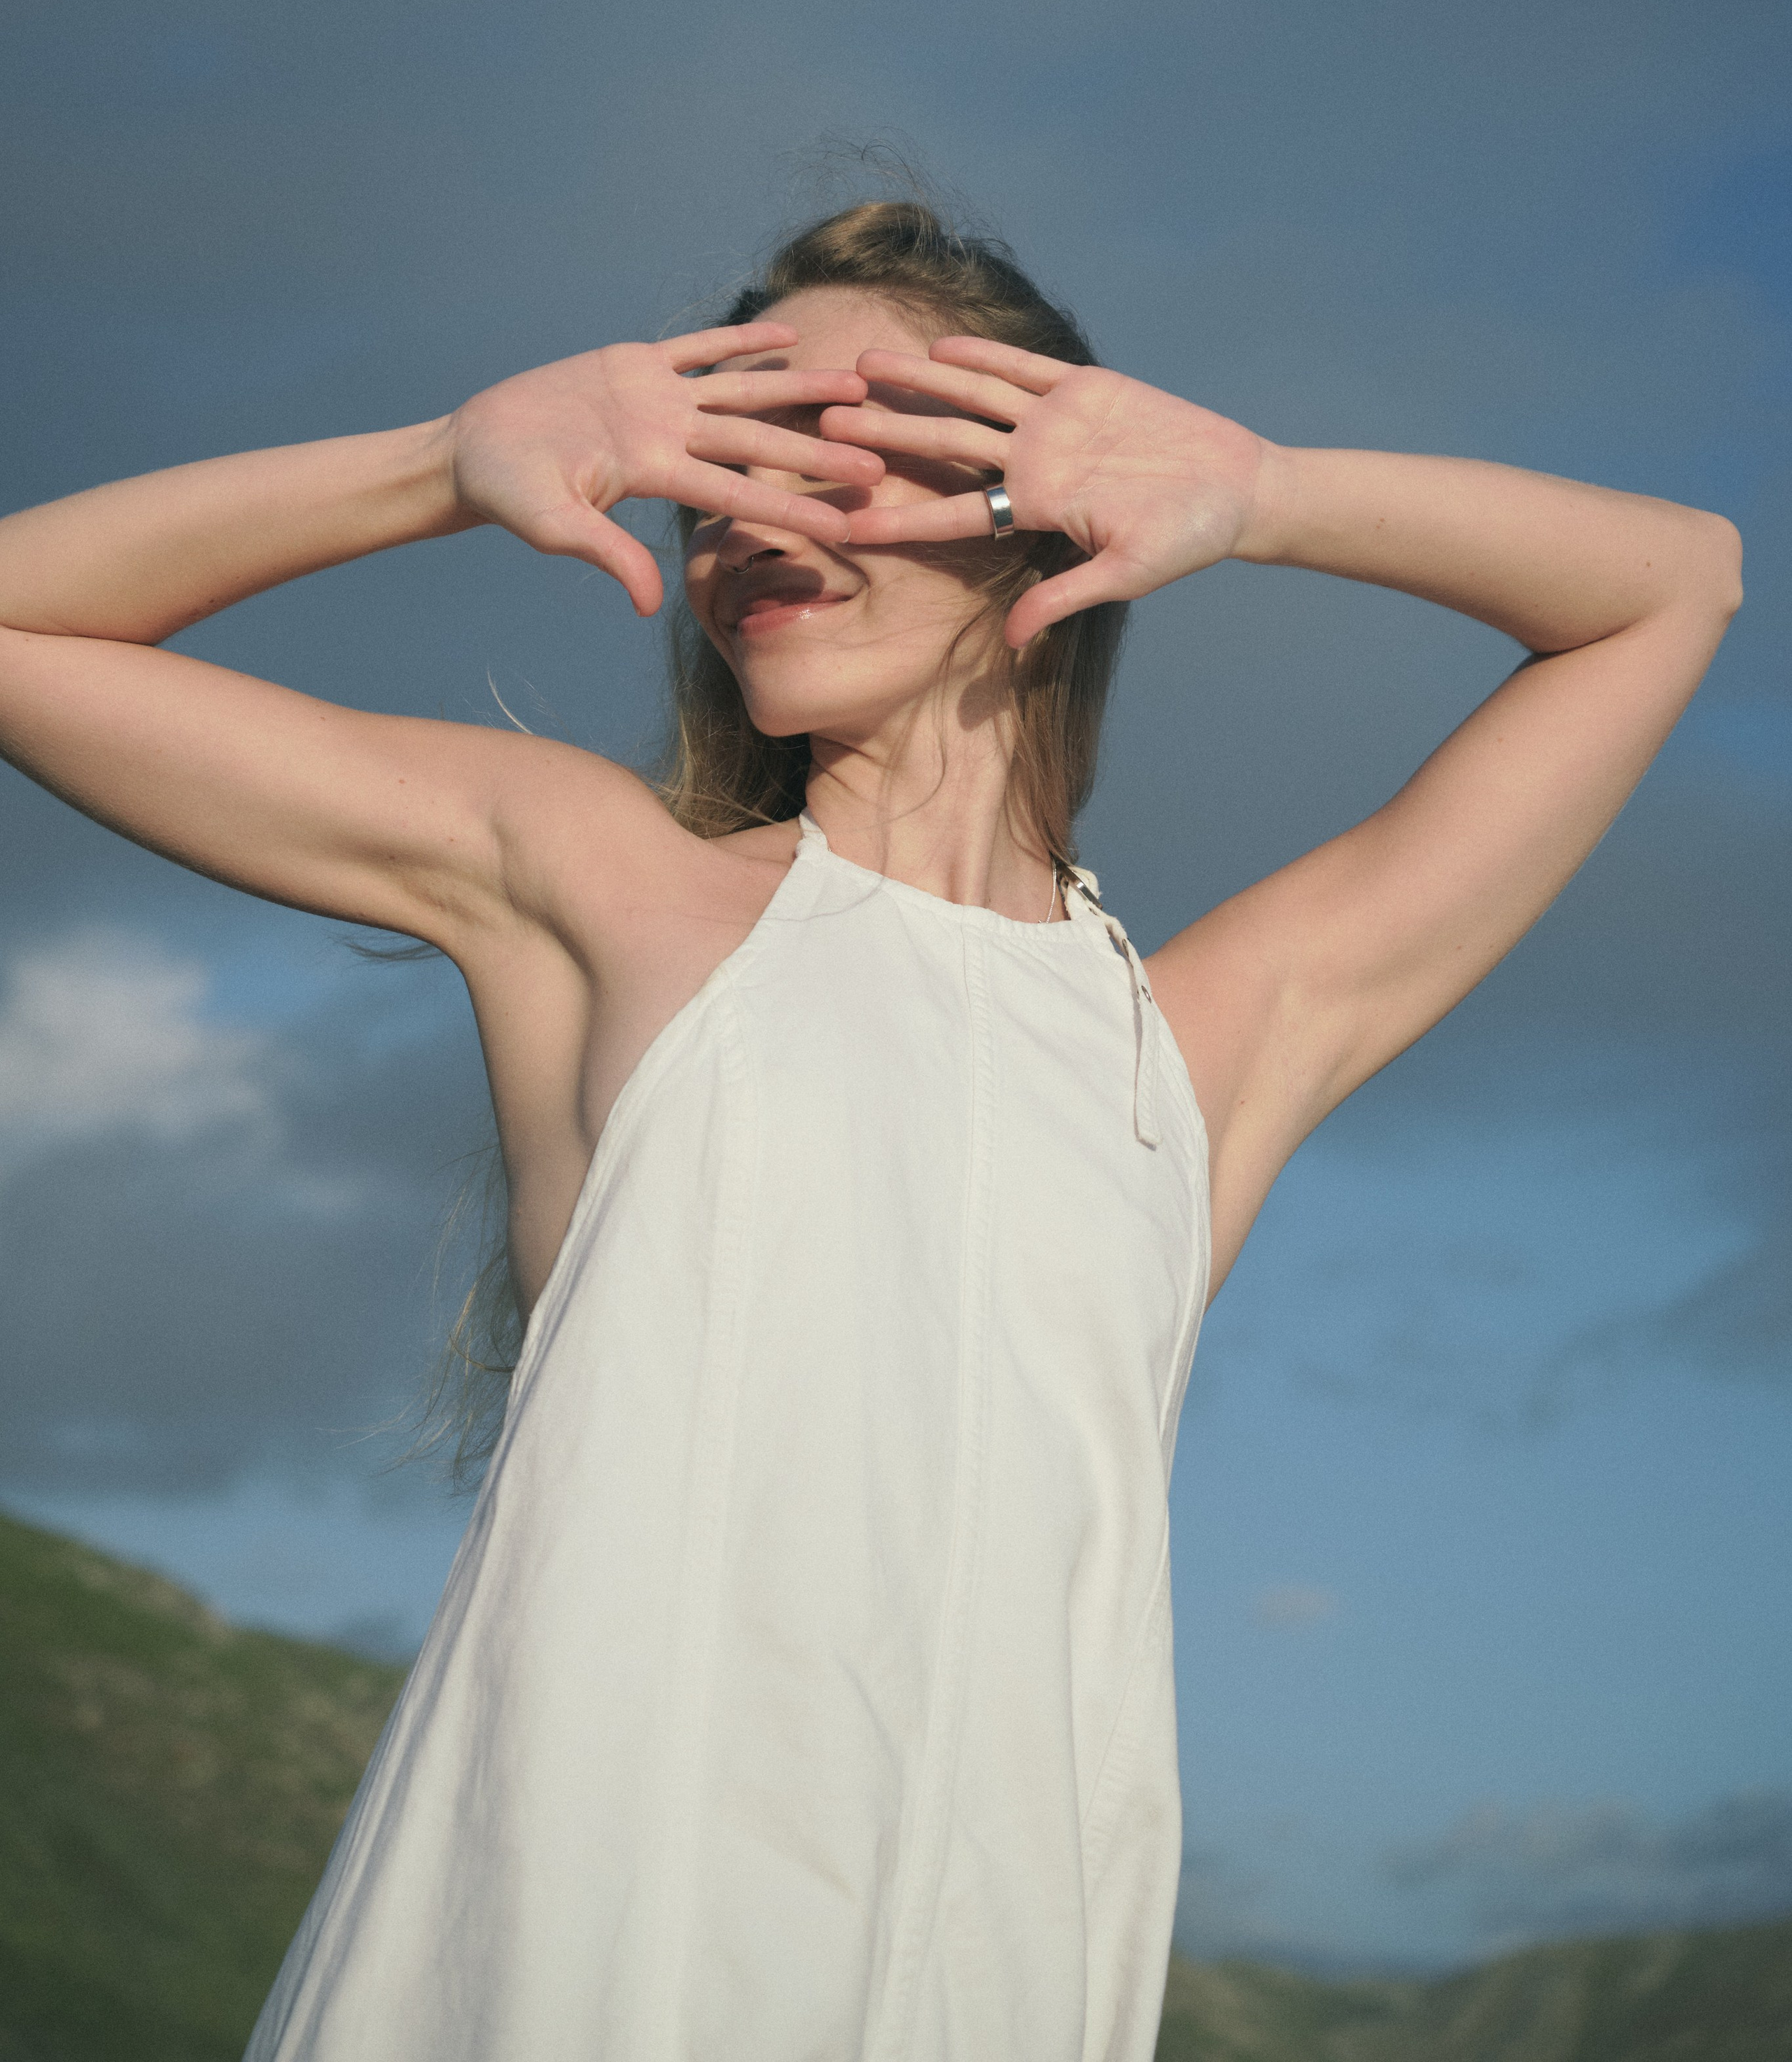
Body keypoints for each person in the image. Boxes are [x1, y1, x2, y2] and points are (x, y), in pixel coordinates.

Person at [0, 200, 1740, 2061]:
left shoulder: (1198, 1048)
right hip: (567, 1976)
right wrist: (439, 464)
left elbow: (1676, 580)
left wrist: (1260, 490)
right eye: (710, 462)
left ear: (1057, 485)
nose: (747, 513)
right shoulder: (608, 886)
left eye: (833, 448)